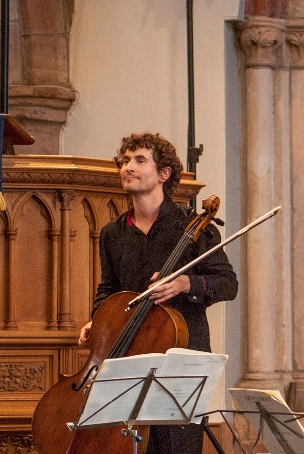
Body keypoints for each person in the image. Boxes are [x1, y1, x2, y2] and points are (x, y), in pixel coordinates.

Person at [78, 132, 238, 454]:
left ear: (164, 174)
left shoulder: (194, 228)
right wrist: (97, 321)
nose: (128, 167)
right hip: (128, 353)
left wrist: (185, 284)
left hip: (181, 352)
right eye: (125, 161)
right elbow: (108, 290)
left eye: (139, 160)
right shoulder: (112, 233)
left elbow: (228, 283)